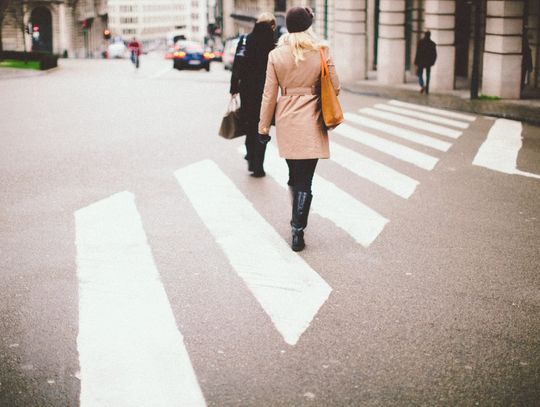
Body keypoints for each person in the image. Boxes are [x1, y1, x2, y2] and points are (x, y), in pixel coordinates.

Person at [258, 7, 340, 252]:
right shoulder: (321, 51)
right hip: (313, 119)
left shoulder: (276, 55)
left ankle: (296, 222)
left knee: (295, 176)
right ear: (308, 26)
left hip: (287, 120)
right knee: (307, 179)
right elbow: (335, 86)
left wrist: (263, 127)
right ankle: (298, 228)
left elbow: (269, 95)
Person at [230, 13, 277, 177]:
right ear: (271, 25)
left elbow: (237, 65)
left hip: (247, 91)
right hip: (266, 92)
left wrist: (233, 88)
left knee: (250, 125)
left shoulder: (245, 40)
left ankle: (250, 157)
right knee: (263, 128)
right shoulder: (273, 44)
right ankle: (259, 166)